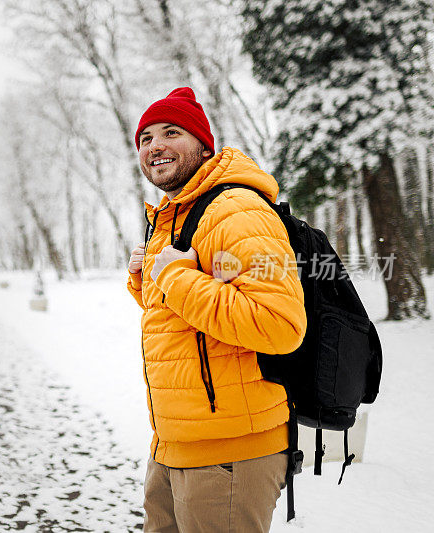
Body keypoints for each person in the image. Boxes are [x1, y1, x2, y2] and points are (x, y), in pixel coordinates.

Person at [126, 87, 307, 532]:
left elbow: (279, 325)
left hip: (231, 452)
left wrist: (173, 277)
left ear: (204, 145)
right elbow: (188, 325)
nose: (156, 146)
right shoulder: (176, 215)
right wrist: (147, 280)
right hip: (175, 444)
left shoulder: (237, 210)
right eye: (146, 138)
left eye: (172, 132)